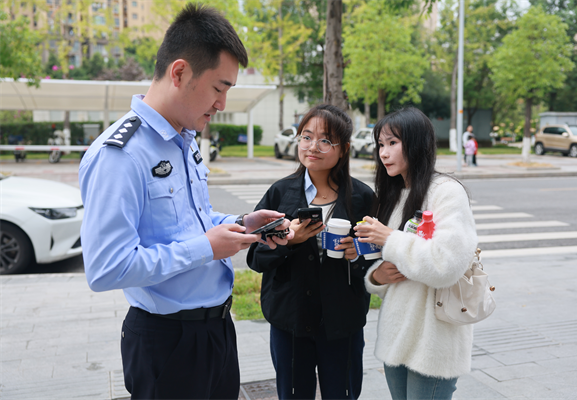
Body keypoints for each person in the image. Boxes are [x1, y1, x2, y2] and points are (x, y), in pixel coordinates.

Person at [78, 4, 292, 400]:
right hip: (167, 343)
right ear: (179, 73)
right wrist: (206, 249)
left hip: (217, 332)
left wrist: (243, 223)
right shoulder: (120, 155)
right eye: (219, 88)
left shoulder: (184, 140)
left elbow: (192, 220)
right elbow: (106, 269)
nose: (222, 104)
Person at [247, 104, 375, 400]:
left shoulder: (362, 198)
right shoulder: (280, 194)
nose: (312, 146)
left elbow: (376, 261)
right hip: (290, 320)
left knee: (342, 394)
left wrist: (354, 255)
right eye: (306, 137)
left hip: (342, 322)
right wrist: (289, 242)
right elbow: (255, 256)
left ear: (343, 149)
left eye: (325, 140)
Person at [354, 108, 477, 400]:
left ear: (417, 143)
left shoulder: (447, 192)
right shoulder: (395, 195)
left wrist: (390, 238)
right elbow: (393, 266)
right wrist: (377, 276)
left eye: (392, 143)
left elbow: (447, 264)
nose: (383, 153)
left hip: (434, 341)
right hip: (398, 336)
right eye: (380, 144)